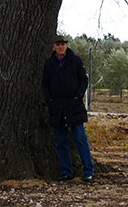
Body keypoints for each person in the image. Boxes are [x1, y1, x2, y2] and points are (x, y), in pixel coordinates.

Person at [41, 34, 94, 182]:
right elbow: (45, 83)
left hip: (73, 106)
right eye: (58, 44)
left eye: (63, 44)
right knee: (60, 141)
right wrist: (49, 99)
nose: (61, 47)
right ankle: (66, 172)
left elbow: (83, 79)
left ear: (66, 45)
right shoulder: (49, 63)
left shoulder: (75, 60)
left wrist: (78, 96)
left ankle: (88, 171)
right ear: (54, 46)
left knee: (80, 138)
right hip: (57, 107)